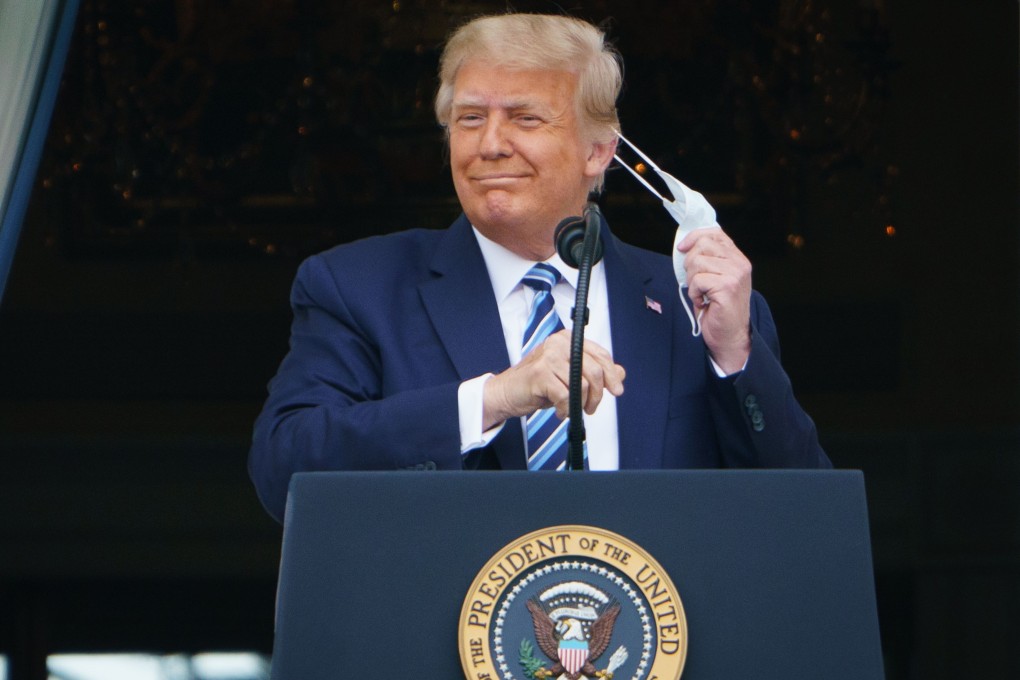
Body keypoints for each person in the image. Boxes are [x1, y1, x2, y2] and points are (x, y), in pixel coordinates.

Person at [248, 13, 830, 523]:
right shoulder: (358, 286)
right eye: (471, 118)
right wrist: (496, 398)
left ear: (598, 150)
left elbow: (805, 516)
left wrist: (735, 357)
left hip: (659, 643)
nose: (491, 144)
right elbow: (286, 470)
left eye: (525, 119)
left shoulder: (696, 305)